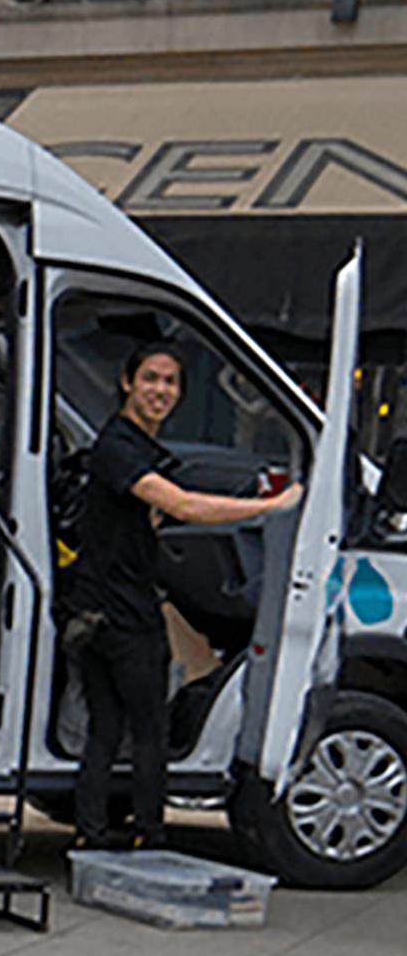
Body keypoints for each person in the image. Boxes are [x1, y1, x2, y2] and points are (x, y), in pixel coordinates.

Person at [68, 342, 300, 850]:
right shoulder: (120, 447)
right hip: (123, 613)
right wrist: (272, 505)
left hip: (94, 609)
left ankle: (90, 832)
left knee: (106, 728)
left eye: (171, 382)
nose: (161, 391)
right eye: (151, 378)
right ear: (127, 382)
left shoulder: (128, 446)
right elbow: (183, 505)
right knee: (151, 728)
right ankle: (148, 834)